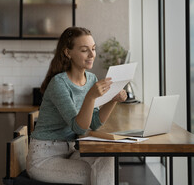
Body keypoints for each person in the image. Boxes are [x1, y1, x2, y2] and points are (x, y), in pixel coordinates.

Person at [26, 27, 127, 185]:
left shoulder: (91, 79)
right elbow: (78, 128)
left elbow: (94, 122)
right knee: (94, 172)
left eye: (93, 49)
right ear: (68, 52)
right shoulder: (59, 83)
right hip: (44, 157)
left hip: (71, 150)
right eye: (84, 50)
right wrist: (91, 96)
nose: (92, 55)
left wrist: (112, 100)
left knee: (108, 159)